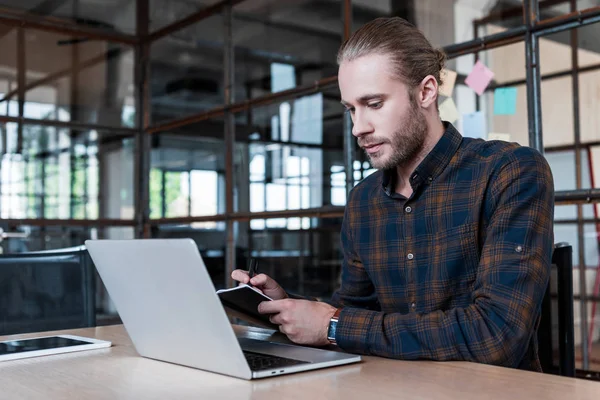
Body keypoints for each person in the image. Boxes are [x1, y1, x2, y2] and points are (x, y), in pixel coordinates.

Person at [232, 17, 554, 371]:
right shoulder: (363, 200)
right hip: (392, 386)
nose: (358, 127)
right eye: (351, 109)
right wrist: (288, 308)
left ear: (426, 92)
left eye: (374, 103)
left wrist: (333, 326)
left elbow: (498, 334)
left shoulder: (510, 171)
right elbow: (353, 314)